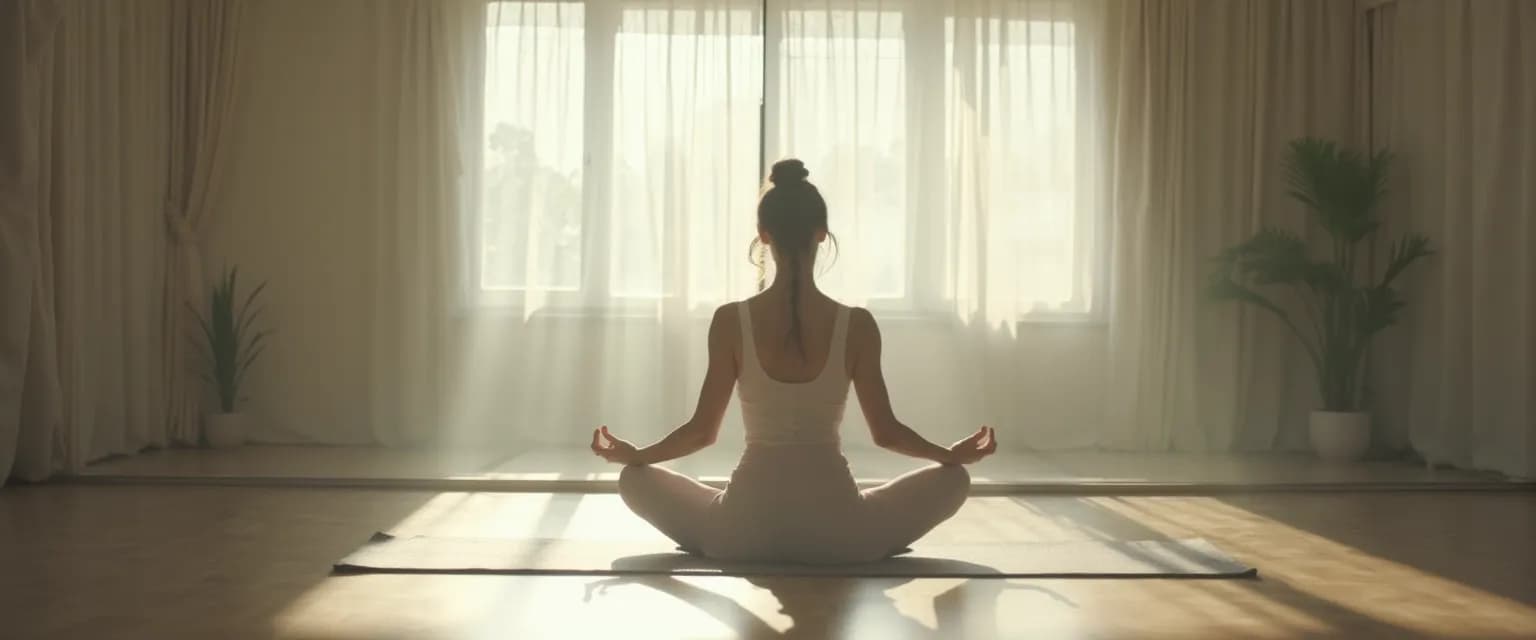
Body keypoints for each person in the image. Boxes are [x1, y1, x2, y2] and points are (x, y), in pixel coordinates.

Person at [590, 159, 997, 564]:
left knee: (633, 480)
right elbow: (886, 433)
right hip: (844, 536)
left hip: (740, 533)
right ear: (822, 234)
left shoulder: (731, 320)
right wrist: (949, 455)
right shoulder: (857, 324)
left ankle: (711, 536)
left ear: (763, 236)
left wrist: (637, 455)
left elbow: (701, 433)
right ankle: (874, 539)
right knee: (954, 481)